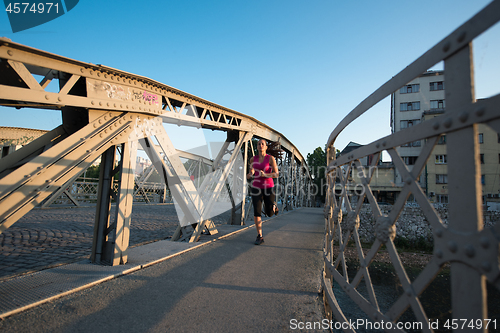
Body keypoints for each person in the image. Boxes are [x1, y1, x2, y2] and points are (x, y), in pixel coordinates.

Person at [246, 139, 282, 245]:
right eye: (258, 144)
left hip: (268, 187)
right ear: (256, 147)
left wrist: (265, 175)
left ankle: (273, 206)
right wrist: (250, 174)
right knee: (257, 212)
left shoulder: (270, 159)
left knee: (269, 213)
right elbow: (251, 170)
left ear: (266, 147)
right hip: (256, 188)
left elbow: (276, 174)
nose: (260, 145)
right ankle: (260, 236)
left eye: (263, 144)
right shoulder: (253, 159)